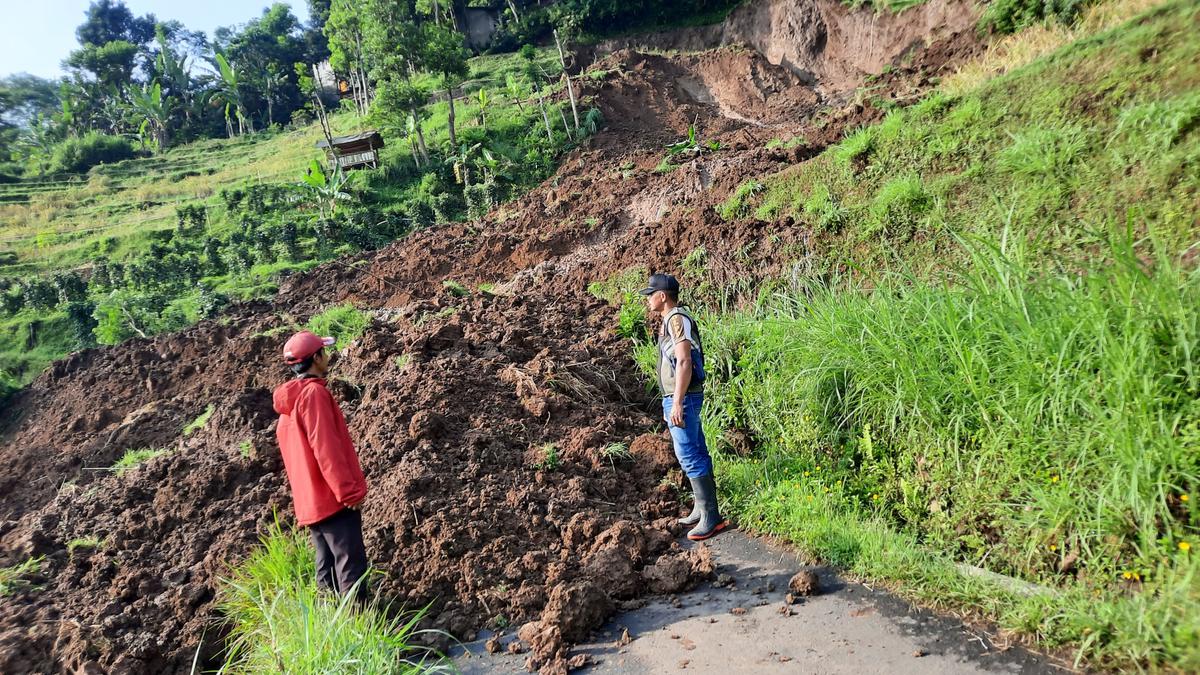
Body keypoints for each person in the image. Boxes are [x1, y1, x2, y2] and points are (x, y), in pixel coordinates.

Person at [272, 330, 370, 602]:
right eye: (323, 352)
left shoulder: (288, 406)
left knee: (326, 568)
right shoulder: (314, 395)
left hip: (311, 503)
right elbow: (326, 448)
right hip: (333, 500)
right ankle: (359, 623)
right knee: (350, 565)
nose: (327, 357)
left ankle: (329, 620)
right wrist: (348, 492)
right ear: (316, 358)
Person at [640, 274, 728, 541]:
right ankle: (702, 508)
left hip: (684, 397)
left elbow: (685, 361)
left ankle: (711, 517)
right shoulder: (671, 319)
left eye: (650, 294)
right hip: (681, 396)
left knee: (689, 454)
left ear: (662, 296)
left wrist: (677, 401)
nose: (648, 299)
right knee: (695, 450)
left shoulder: (677, 319)